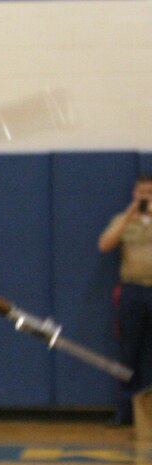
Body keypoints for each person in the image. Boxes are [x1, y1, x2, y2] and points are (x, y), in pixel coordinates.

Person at [98, 174, 152, 426]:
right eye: (141, 192)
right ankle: (125, 412)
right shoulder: (123, 219)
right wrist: (131, 214)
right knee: (128, 352)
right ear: (134, 193)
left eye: (150, 192)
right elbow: (105, 245)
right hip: (133, 291)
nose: (145, 196)